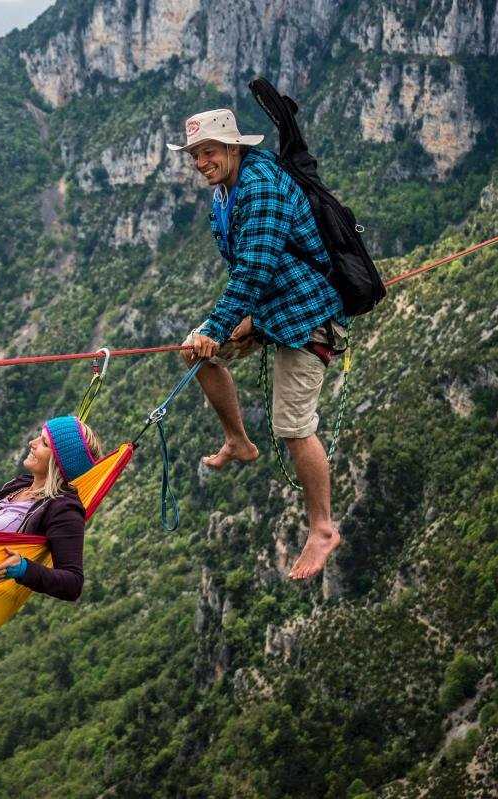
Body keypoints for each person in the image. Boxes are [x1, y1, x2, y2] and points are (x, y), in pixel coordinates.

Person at [168, 108, 347, 581]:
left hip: (308, 314)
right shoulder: (227, 192)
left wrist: (221, 324)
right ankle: (238, 440)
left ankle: (323, 528)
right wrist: (221, 329)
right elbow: (248, 272)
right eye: (194, 155)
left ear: (231, 147)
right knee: (195, 352)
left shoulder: (261, 185)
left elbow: (255, 268)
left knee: (293, 426)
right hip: (270, 306)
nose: (200, 162)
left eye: (208, 151)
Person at [0, 416, 102, 601]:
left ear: (58, 463)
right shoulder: (20, 484)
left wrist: (23, 569)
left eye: (44, 443)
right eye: (39, 436)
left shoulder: (64, 509)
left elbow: (72, 584)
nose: (32, 443)